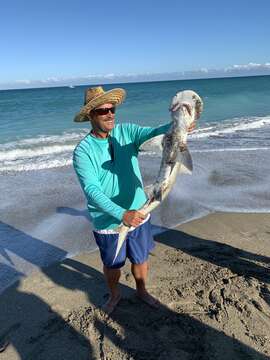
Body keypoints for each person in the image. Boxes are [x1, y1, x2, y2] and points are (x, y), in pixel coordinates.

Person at [73, 86, 194, 314]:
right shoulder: (83, 151)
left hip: (140, 210)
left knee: (140, 258)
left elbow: (156, 133)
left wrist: (180, 125)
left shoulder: (126, 132)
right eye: (102, 111)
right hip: (109, 221)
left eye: (112, 108)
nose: (110, 114)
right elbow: (92, 190)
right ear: (90, 115)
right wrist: (121, 213)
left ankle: (142, 290)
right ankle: (115, 294)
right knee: (113, 264)